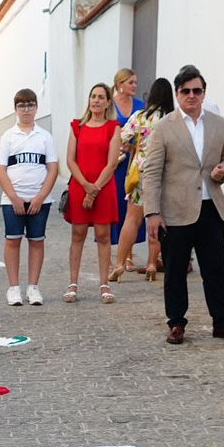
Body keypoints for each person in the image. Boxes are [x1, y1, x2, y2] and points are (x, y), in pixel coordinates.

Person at [141, 65, 224, 345]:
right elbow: (152, 171)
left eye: (197, 91)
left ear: (204, 93)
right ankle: (177, 323)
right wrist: (152, 212)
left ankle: (222, 322)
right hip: (175, 211)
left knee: (216, 269)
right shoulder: (164, 127)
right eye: (186, 91)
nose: (192, 96)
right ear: (177, 94)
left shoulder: (218, 123)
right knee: (176, 271)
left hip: (210, 207)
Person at [0, 88, 59, 307]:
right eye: (22, 105)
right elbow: (1, 169)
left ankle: (33, 287)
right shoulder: (8, 137)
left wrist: (41, 196)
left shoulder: (45, 137)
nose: (26, 109)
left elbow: (53, 169)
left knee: (37, 242)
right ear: (15, 109)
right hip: (13, 200)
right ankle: (13, 288)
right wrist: (13, 197)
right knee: (12, 240)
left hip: (39, 200)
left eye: (30, 105)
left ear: (36, 108)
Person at [109, 77, 173, 284]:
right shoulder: (172, 119)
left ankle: (119, 264)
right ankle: (153, 263)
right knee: (157, 221)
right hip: (165, 176)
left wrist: (132, 148)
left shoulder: (141, 116)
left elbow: (121, 139)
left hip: (141, 175)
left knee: (132, 220)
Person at [63, 83, 122, 303]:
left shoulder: (113, 127)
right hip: (80, 186)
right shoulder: (77, 126)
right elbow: (70, 159)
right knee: (77, 234)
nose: (96, 100)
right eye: (93, 96)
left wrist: (94, 188)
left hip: (103, 187)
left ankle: (105, 285)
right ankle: (72, 284)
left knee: (103, 236)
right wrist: (86, 186)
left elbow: (112, 162)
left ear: (108, 102)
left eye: (101, 97)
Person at [107, 69, 144, 262]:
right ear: (120, 84)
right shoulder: (110, 106)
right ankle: (119, 252)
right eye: (131, 82)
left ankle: (129, 255)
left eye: (135, 82)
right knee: (118, 206)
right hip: (115, 163)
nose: (134, 86)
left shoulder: (140, 106)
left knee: (132, 206)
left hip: (134, 162)